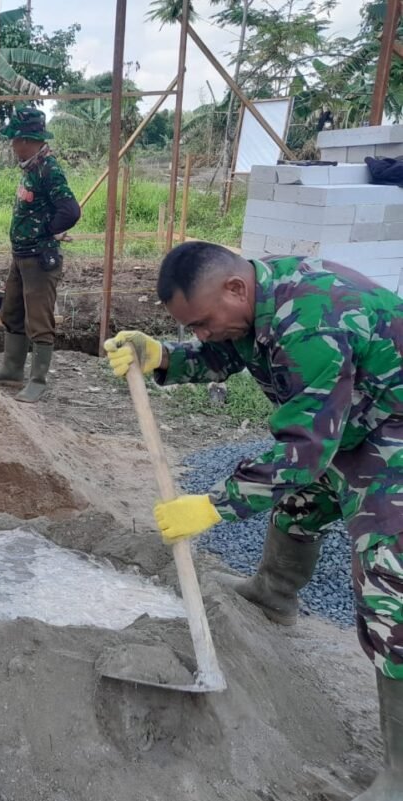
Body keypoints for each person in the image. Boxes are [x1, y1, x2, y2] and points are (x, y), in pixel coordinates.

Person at [104, 241, 403, 800]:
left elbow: (304, 451)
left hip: (394, 428)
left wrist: (212, 505)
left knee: (390, 587)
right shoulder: (253, 304)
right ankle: (274, 594)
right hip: (351, 419)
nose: (201, 333)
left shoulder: (312, 322)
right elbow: (225, 352)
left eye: (201, 322)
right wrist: (162, 357)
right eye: (190, 327)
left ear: (235, 288)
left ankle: (399, 773)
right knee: (300, 501)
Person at [0, 106, 81, 403]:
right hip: (21, 256)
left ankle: (37, 380)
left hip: (39, 258)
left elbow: (70, 210)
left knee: (39, 319)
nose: (12, 145)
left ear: (27, 139)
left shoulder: (49, 170)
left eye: (15, 139)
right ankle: (12, 370)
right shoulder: (31, 168)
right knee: (12, 312)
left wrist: (46, 231)